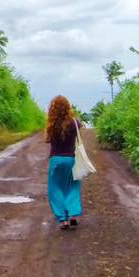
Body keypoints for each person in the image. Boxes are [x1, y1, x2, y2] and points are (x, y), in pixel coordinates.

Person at [45, 95, 83, 230]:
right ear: (68, 107)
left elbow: (48, 140)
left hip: (55, 160)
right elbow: (81, 124)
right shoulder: (74, 122)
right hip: (71, 160)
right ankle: (72, 215)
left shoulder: (51, 124)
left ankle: (62, 220)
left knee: (55, 188)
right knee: (72, 186)